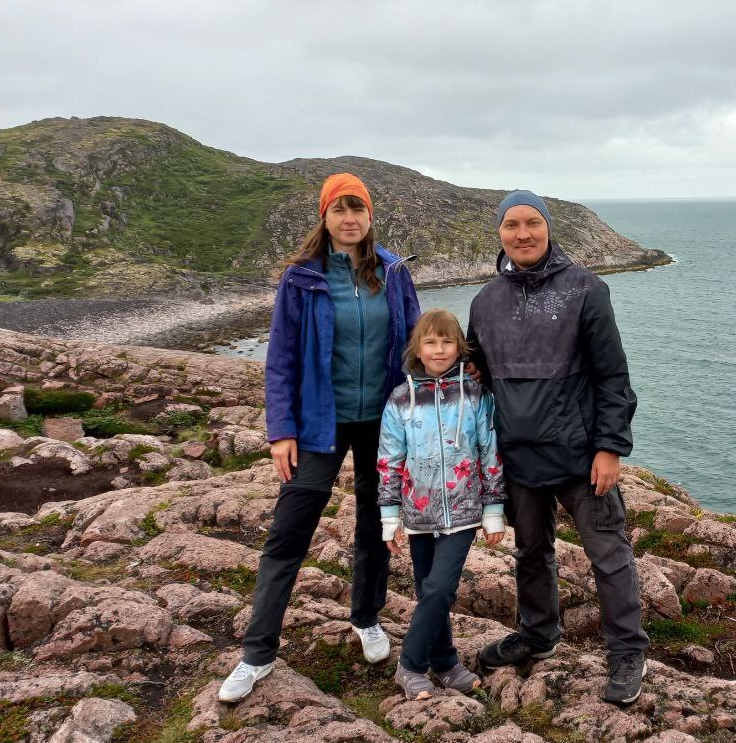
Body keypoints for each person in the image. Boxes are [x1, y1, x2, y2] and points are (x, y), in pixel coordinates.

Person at [219, 172, 420, 703]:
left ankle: (367, 618)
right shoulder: (301, 278)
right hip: (317, 424)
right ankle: (257, 653)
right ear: (325, 216)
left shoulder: (394, 272)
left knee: (377, 522)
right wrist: (280, 429)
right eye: (340, 209)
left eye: (358, 209)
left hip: (383, 421)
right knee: (289, 532)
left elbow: (417, 345)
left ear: (370, 216)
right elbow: (280, 358)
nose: (350, 219)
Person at [467, 190, 649, 705]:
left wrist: (610, 447)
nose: (522, 234)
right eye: (511, 225)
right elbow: (478, 368)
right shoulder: (485, 302)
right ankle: (538, 635)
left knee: (608, 553)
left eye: (532, 223)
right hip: (517, 454)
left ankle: (627, 651)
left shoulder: (585, 290)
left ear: (548, 228)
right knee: (530, 552)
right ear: (499, 233)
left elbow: (613, 376)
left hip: (579, 452)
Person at [377, 309, 506, 699]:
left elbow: (490, 452)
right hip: (418, 513)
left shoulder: (477, 395)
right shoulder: (400, 400)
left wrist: (493, 509)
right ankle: (446, 662)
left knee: (439, 589)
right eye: (430, 342)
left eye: (447, 342)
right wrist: (389, 516)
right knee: (428, 592)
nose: (439, 350)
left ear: (459, 347)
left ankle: (410, 665)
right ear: (417, 347)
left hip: (464, 512)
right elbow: (389, 460)